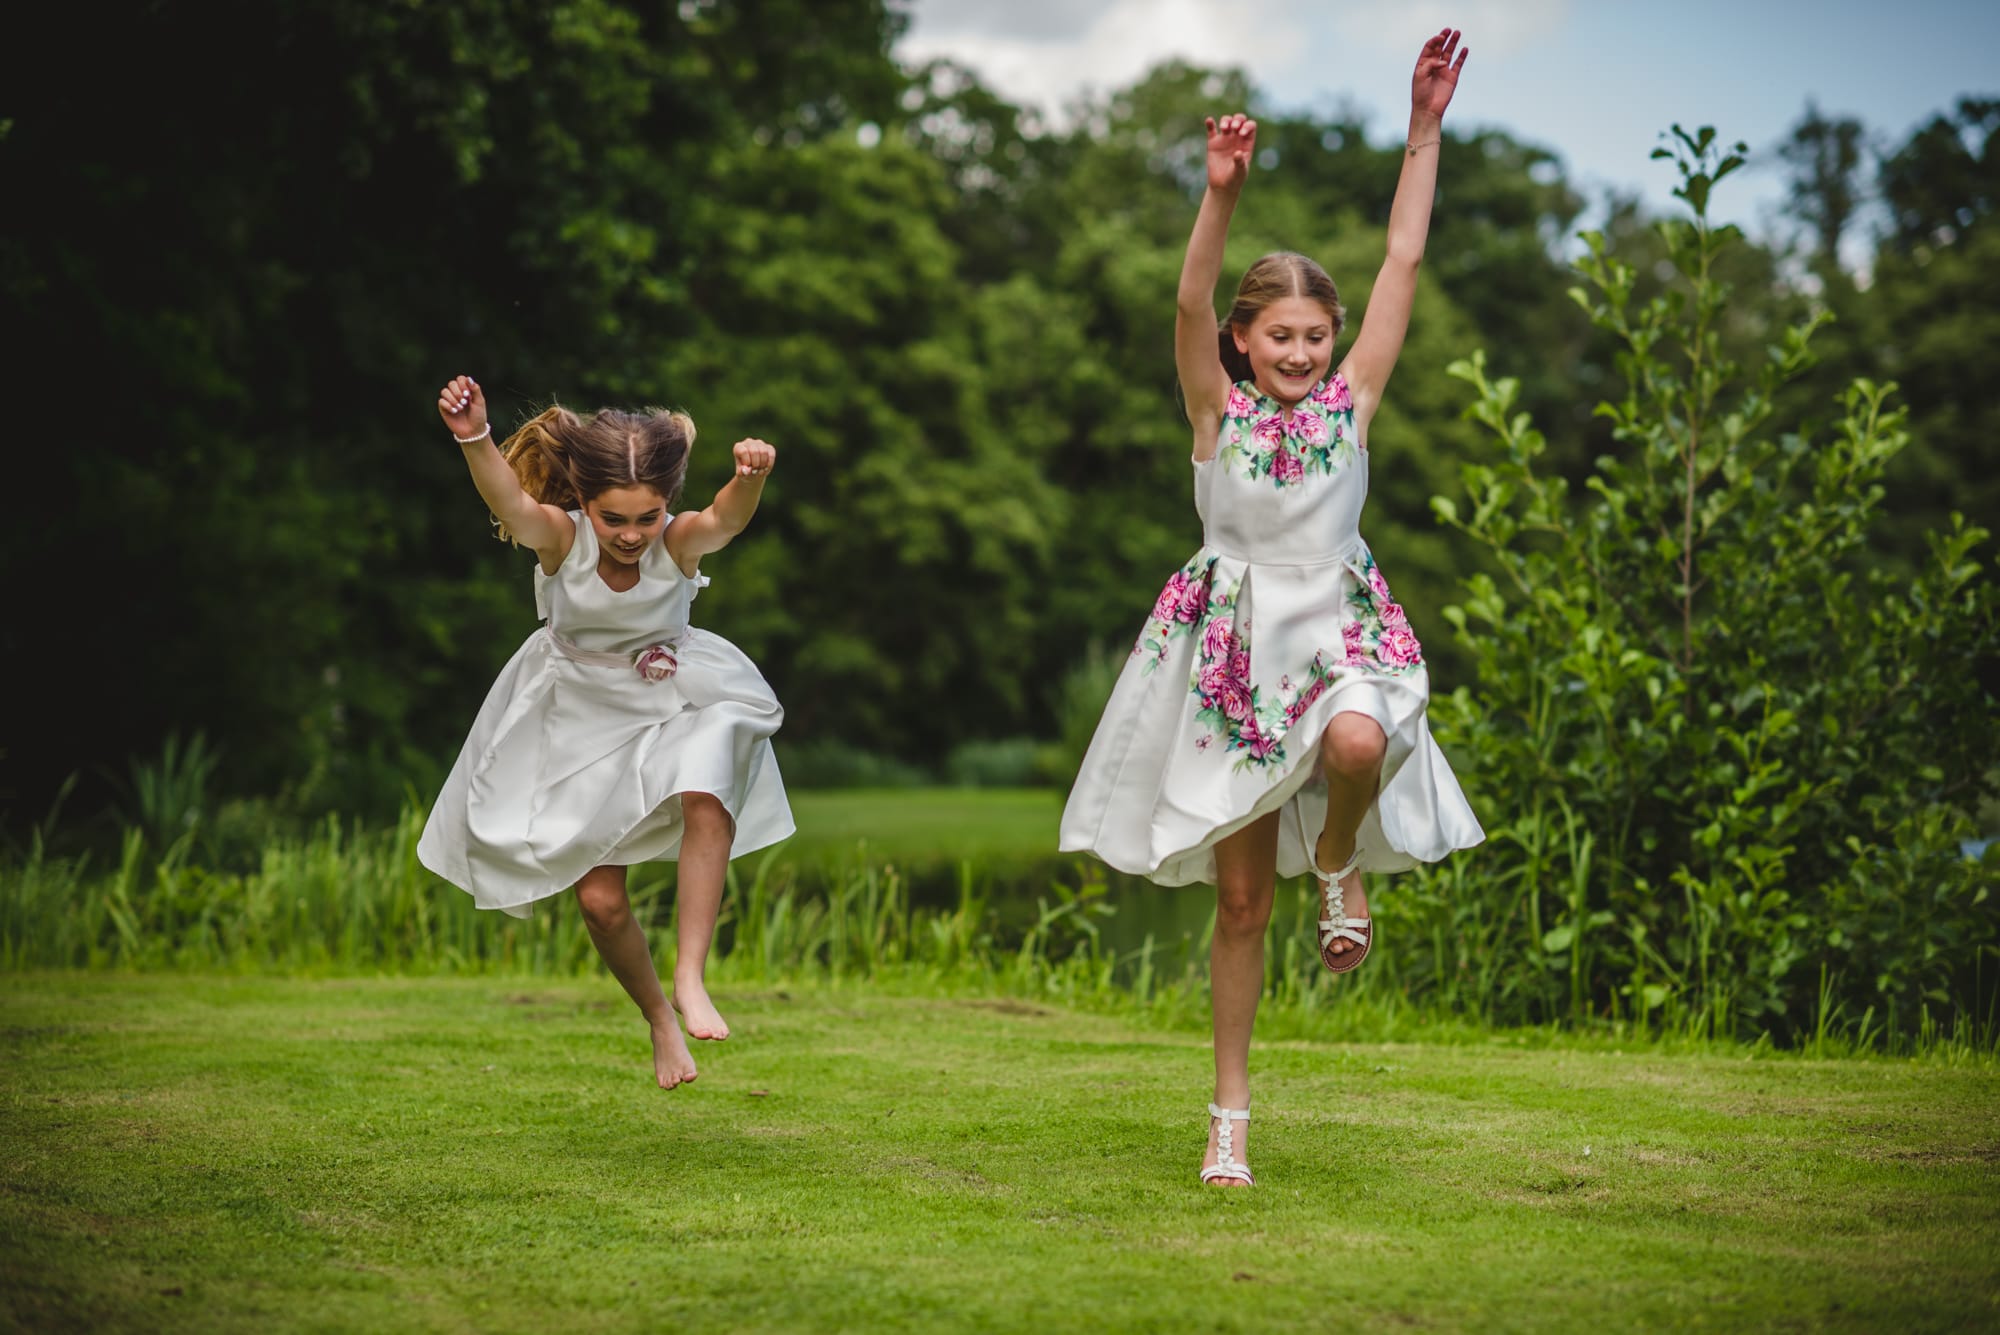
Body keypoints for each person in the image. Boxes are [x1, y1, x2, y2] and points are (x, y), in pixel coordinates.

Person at [1058, 29, 1485, 1185]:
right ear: (1243, 345)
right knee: (1239, 903)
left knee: (1360, 736)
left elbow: (1400, 260)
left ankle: (1339, 859)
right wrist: (1219, 195)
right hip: (1234, 649)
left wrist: (1423, 129)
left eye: (1314, 335)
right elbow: (1189, 293)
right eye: (1277, 336)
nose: (1298, 350)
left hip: (1335, 624)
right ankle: (1228, 1121)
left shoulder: (1351, 406)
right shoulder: (1215, 414)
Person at [418, 374, 794, 1090]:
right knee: (599, 901)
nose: (629, 536)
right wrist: (474, 436)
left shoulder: (678, 544)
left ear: (666, 507)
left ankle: (690, 974)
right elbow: (506, 498)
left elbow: (727, 520)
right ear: (584, 502)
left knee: (709, 776)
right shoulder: (562, 540)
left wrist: (751, 476)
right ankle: (658, 1016)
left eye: (646, 518)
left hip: (668, 705)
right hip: (576, 724)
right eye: (613, 518)